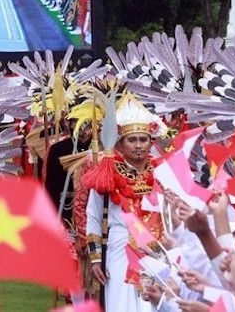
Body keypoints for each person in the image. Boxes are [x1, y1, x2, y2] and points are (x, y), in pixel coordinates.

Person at [81, 94, 167, 312]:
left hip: (159, 246)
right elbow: (93, 216)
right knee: (122, 302)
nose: (138, 145)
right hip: (120, 245)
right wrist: (95, 259)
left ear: (151, 141)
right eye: (132, 140)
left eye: (143, 139)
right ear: (120, 143)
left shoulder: (163, 173)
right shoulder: (107, 172)